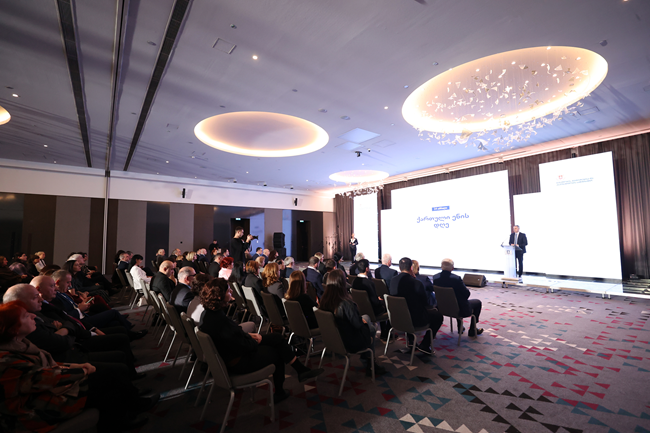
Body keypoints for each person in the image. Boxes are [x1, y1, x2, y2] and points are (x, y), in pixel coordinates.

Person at [0, 301, 158, 432]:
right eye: (26, 316)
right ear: (13, 329)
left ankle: (122, 418)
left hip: (46, 392)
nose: (33, 316)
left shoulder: (20, 343)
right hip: (34, 409)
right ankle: (124, 418)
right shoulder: (6, 359)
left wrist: (74, 366)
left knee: (109, 378)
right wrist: (81, 370)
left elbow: (46, 368)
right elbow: (43, 377)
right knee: (108, 377)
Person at [199, 278, 323, 404]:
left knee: (277, 338)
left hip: (234, 355)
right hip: (238, 362)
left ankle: (300, 371)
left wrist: (249, 336)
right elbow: (240, 345)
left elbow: (233, 337)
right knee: (278, 352)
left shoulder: (208, 315)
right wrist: (254, 341)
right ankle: (283, 389)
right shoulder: (220, 321)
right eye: (228, 290)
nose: (231, 291)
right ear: (219, 296)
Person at [319, 269, 385, 376]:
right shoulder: (345, 302)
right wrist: (363, 322)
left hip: (333, 339)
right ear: (343, 283)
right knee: (371, 328)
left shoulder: (324, 301)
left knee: (367, 318)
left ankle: (369, 359)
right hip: (349, 342)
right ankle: (370, 362)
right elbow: (357, 325)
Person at [391, 257, 443, 354]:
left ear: (399, 268)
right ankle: (425, 345)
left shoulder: (393, 281)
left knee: (408, 308)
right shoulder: (416, 283)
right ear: (411, 268)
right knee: (438, 316)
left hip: (396, 318)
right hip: (414, 320)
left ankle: (411, 342)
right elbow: (425, 303)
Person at [431, 259, 483, 336]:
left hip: (442, 307)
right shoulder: (456, 279)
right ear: (452, 268)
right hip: (459, 309)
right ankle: (472, 329)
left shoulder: (435, 277)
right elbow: (466, 294)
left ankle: (460, 326)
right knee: (477, 302)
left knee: (454, 300)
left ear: (441, 267)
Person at [351, 259, 390, 341]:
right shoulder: (369, 283)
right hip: (372, 311)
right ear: (367, 269)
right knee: (389, 307)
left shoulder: (354, 282)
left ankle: (384, 333)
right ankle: (385, 333)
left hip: (360, 309)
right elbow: (375, 302)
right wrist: (381, 301)